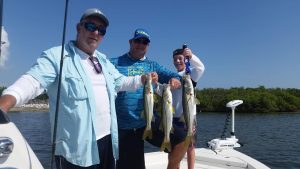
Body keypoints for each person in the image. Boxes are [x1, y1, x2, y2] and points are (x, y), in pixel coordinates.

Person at [0, 8, 154, 169]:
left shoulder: (103, 60)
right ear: (79, 28)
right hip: (77, 150)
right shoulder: (57, 56)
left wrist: (141, 79)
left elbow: (120, 82)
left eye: (101, 30)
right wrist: (4, 105)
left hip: (108, 141)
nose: (96, 32)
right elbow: (31, 82)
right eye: (90, 26)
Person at [109, 28, 188, 169]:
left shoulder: (153, 65)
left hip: (147, 121)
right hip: (124, 126)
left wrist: (175, 80)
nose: (140, 44)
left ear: (148, 46)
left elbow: (177, 77)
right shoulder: (115, 62)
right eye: (137, 41)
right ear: (130, 42)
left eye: (144, 42)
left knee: (182, 138)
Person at [172, 47, 205, 169]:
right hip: (174, 118)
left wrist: (191, 56)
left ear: (184, 59)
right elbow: (161, 91)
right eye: (175, 59)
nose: (178, 61)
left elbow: (201, 68)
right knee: (176, 148)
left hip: (190, 117)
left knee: (190, 147)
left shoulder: (189, 73)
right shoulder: (171, 76)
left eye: (180, 58)